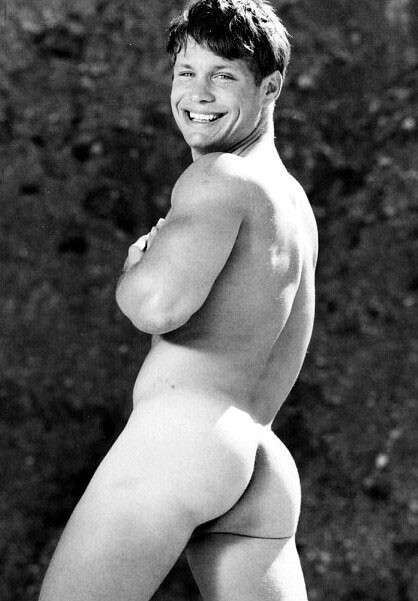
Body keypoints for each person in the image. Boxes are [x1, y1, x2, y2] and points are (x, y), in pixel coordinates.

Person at [39, 1, 318, 600]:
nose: (198, 93)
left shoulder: (220, 177)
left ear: (270, 88)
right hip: (259, 458)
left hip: (182, 440)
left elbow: (157, 307)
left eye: (224, 75)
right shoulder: (291, 200)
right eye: (186, 72)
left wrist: (135, 267)